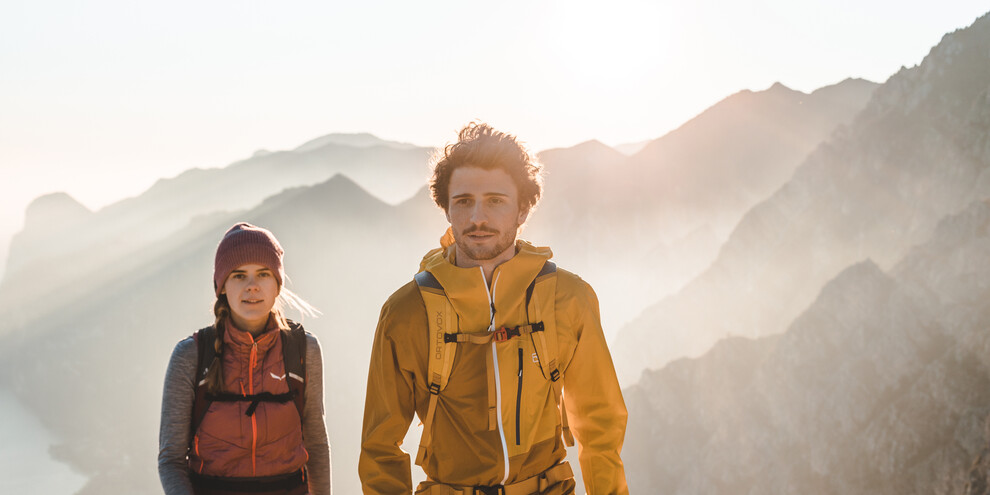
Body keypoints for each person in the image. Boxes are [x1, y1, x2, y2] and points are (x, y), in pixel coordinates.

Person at [360, 123, 628, 494]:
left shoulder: (568, 299)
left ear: (523, 209)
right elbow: (379, 448)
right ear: (446, 209)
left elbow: (600, 425)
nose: (477, 218)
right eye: (463, 201)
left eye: (495, 201)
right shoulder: (406, 312)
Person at [159, 223, 332, 495]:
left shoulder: (302, 350)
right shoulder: (191, 356)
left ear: (277, 285)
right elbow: (171, 459)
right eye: (239, 276)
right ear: (222, 287)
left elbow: (316, 444)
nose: (252, 286)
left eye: (263, 274)